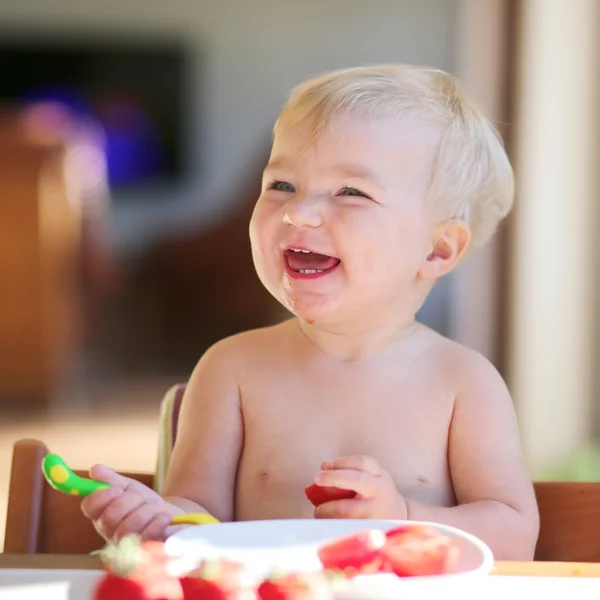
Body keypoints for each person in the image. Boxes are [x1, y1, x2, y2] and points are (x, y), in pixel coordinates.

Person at [82, 64, 540, 560]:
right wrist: (157, 522)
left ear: (437, 250)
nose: (297, 212)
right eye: (281, 184)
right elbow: (195, 519)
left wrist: (405, 518)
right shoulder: (230, 368)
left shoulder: (463, 383)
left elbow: (515, 537)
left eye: (351, 192)